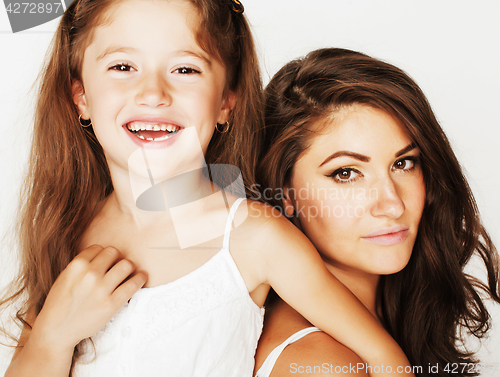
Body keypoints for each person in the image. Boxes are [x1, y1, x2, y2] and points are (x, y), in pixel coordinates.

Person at [0, 2, 414, 377]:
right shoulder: (67, 227)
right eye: (123, 67)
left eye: (185, 69)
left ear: (225, 102)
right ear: (81, 97)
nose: (152, 94)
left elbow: (386, 360)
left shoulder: (256, 238)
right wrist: (52, 337)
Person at [253, 48, 500, 377]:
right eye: (346, 173)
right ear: (286, 193)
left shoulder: (393, 316)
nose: (392, 204)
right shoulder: (321, 365)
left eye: (403, 163)